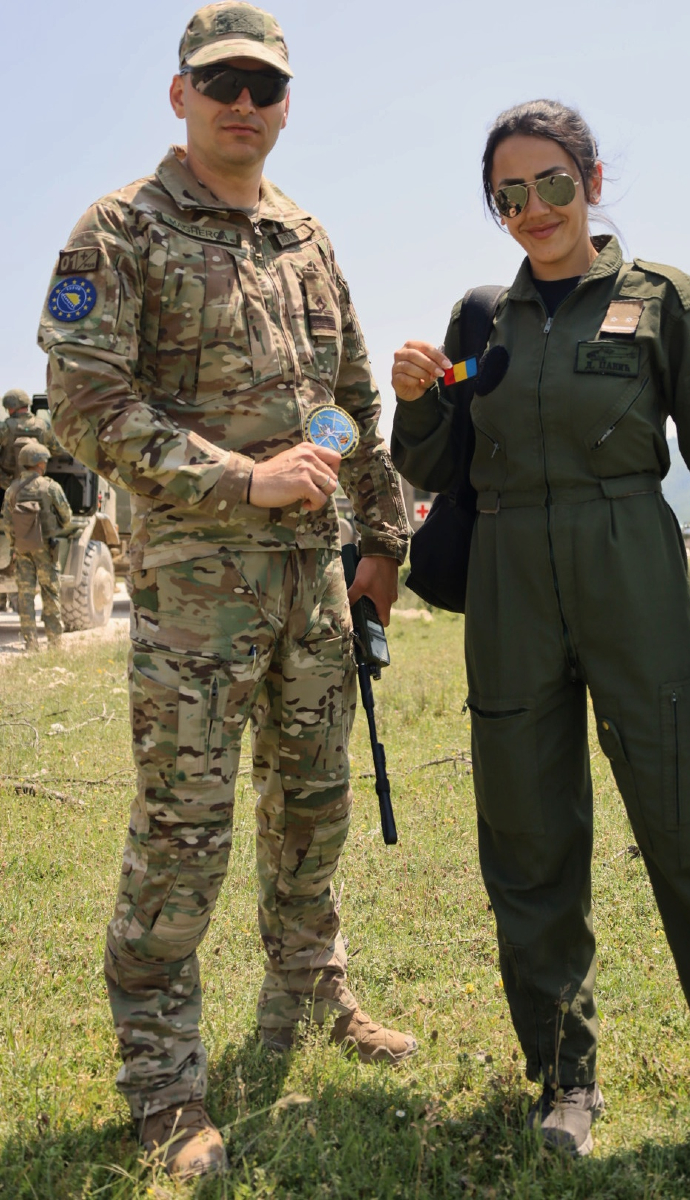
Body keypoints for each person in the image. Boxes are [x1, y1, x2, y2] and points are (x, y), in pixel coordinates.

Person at [38, 2, 413, 1181]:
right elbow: (86, 405)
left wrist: (382, 538)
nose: (243, 104)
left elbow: (352, 398)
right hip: (198, 594)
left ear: (285, 105)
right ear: (180, 96)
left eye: (264, 87)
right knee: (183, 834)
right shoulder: (120, 229)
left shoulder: (305, 237)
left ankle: (311, 989)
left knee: (313, 806)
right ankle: (162, 1080)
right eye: (221, 84)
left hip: (312, 587)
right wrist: (241, 478)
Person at [391, 100, 690, 1169]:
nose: (533, 209)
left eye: (553, 184)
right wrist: (415, 401)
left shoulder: (666, 302)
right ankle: (563, 1078)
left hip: (632, 576)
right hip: (509, 590)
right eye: (509, 195)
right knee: (527, 843)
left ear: (592, 181)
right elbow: (432, 468)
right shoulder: (485, 320)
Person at [1, 442, 72, 652]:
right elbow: (67, 517)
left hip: (22, 549)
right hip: (46, 550)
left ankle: (30, 644)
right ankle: (54, 644)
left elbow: (6, 523)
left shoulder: (12, 489)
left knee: (25, 596)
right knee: (50, 594)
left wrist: (15, 546)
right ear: (40, 463)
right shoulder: (50, 487)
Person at [0, 389, 61, 489]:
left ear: (11, 408)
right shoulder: (43, 426)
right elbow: (57, 450)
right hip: (35, 484)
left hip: (8, 484)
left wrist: (4, 480)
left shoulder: (5, 427)